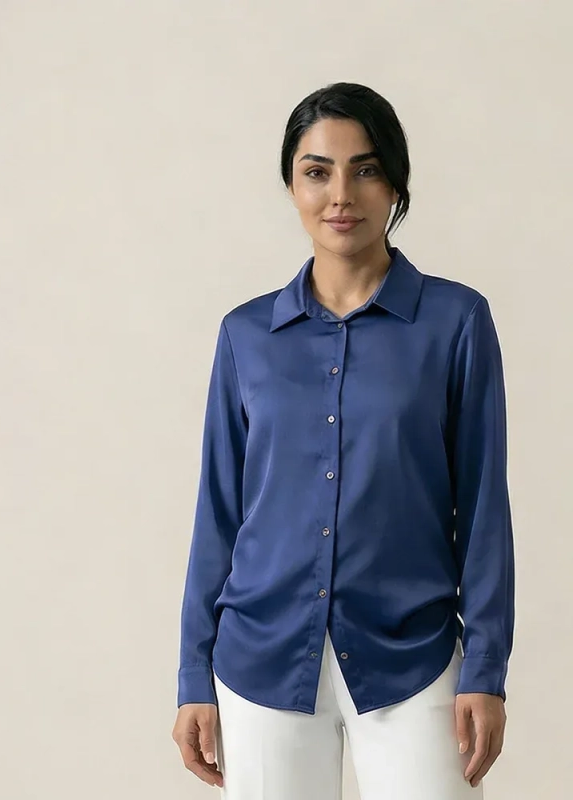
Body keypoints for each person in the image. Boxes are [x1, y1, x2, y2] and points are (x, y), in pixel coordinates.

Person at [171, 81, 515, 799]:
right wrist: (192, 675)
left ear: (396, 183)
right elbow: (218, 514)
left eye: (365, 169)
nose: (341, 195)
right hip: (260, 661)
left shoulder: (455, 322)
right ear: (291, 186)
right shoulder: (246, 335)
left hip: (412, 656)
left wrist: (485, 668)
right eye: (317, 171)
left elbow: (483, 508)